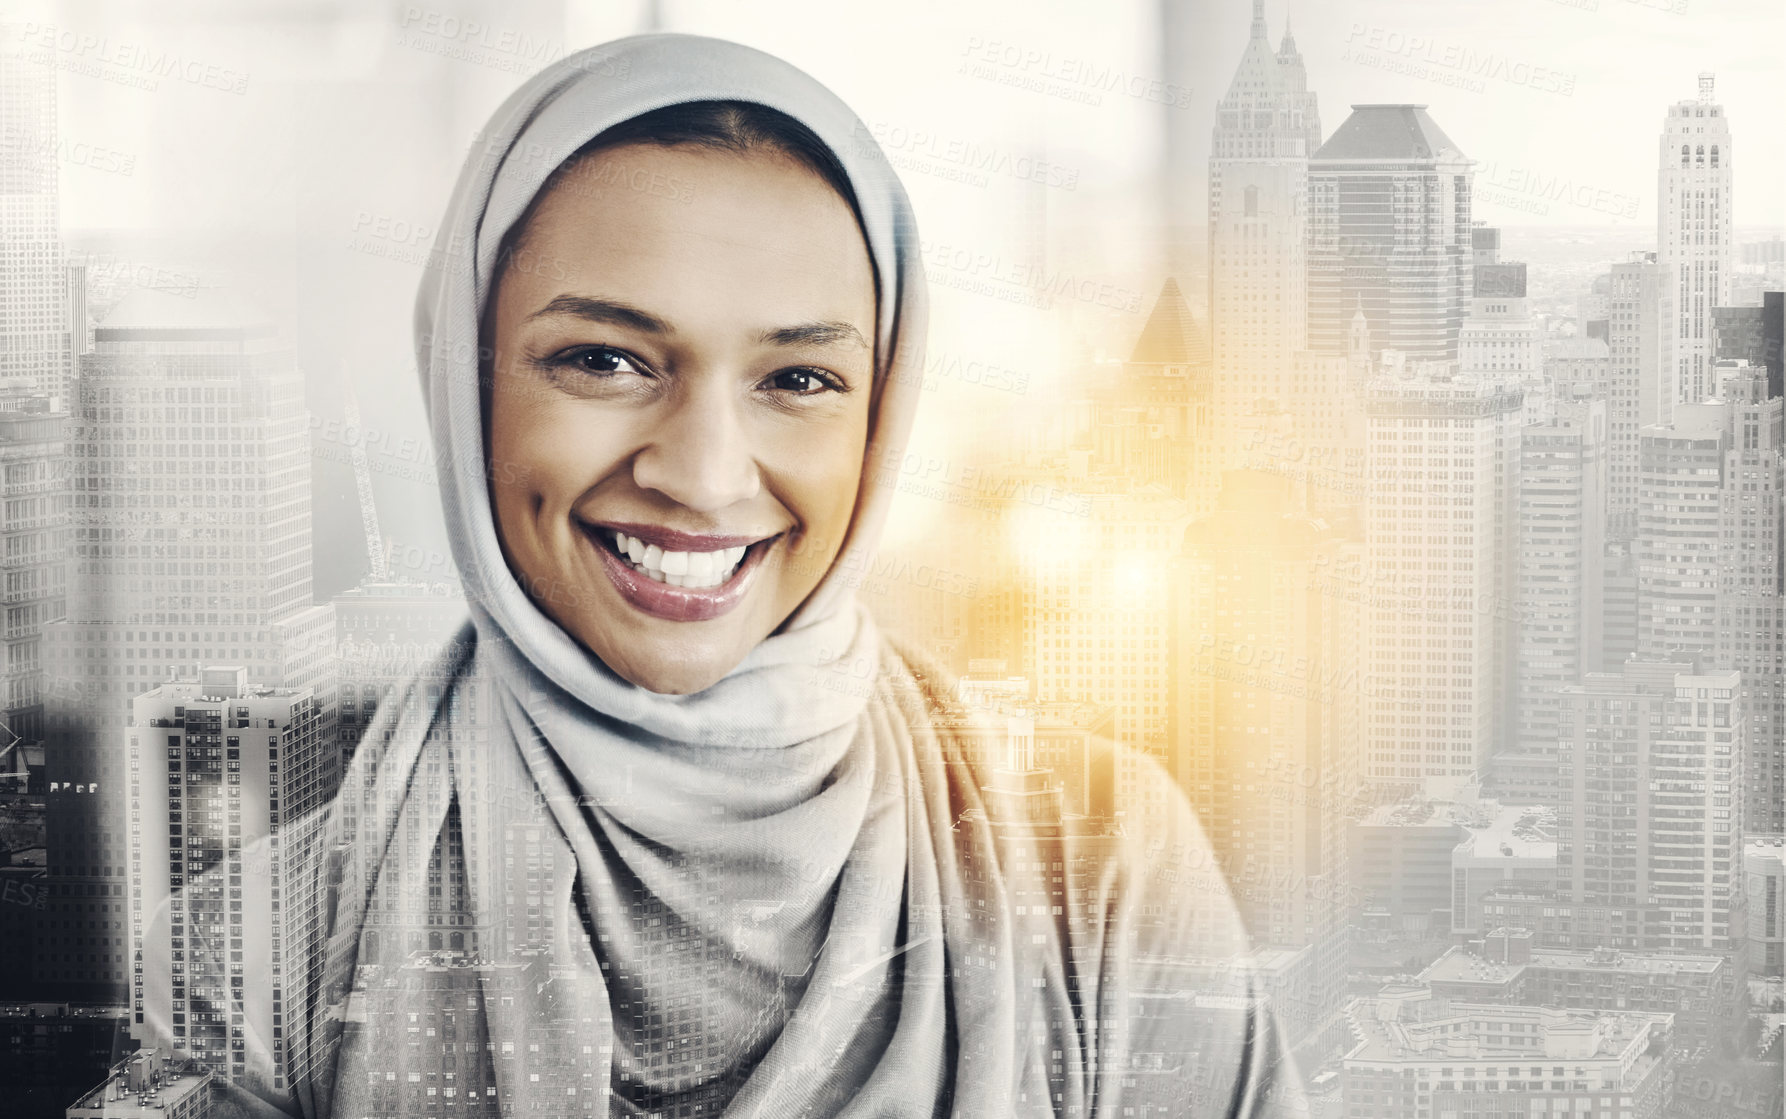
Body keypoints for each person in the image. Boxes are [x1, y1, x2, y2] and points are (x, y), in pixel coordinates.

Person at [141, 32, 1299, 1119]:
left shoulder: (1101, 866)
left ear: (880, 418)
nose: (699, 475)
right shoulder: (256, 956)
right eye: (603, 360)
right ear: (469, 378)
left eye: (797, 379)